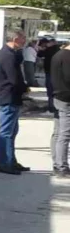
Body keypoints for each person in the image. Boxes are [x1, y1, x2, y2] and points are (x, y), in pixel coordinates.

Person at [0, 30, 29, 175]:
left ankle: (11, 160)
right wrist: (25, 88)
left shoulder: (11, 54)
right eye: (23, 38)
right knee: (6, 132)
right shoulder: (7, 55)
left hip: (10, 97)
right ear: (15, 38)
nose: (25, 40)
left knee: (12, 132)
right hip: (7, 97)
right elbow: (14, 79)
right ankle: (4, 163)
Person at [51, 41, 70, 176]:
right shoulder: (67, 57)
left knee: (58, 132)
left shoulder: (57, 55)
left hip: (58, 96)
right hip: (66, 98)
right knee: (65, 133)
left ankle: (57, 163)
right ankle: (62, 167)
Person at [39, 38, 60, 112]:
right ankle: (56, 106)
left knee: (50, 90)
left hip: (49, 71)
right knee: (55, 90)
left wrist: (45, 48)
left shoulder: (49, 50)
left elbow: (39, 54)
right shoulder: (59, 50)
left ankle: (51, 106)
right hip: (57, 73)